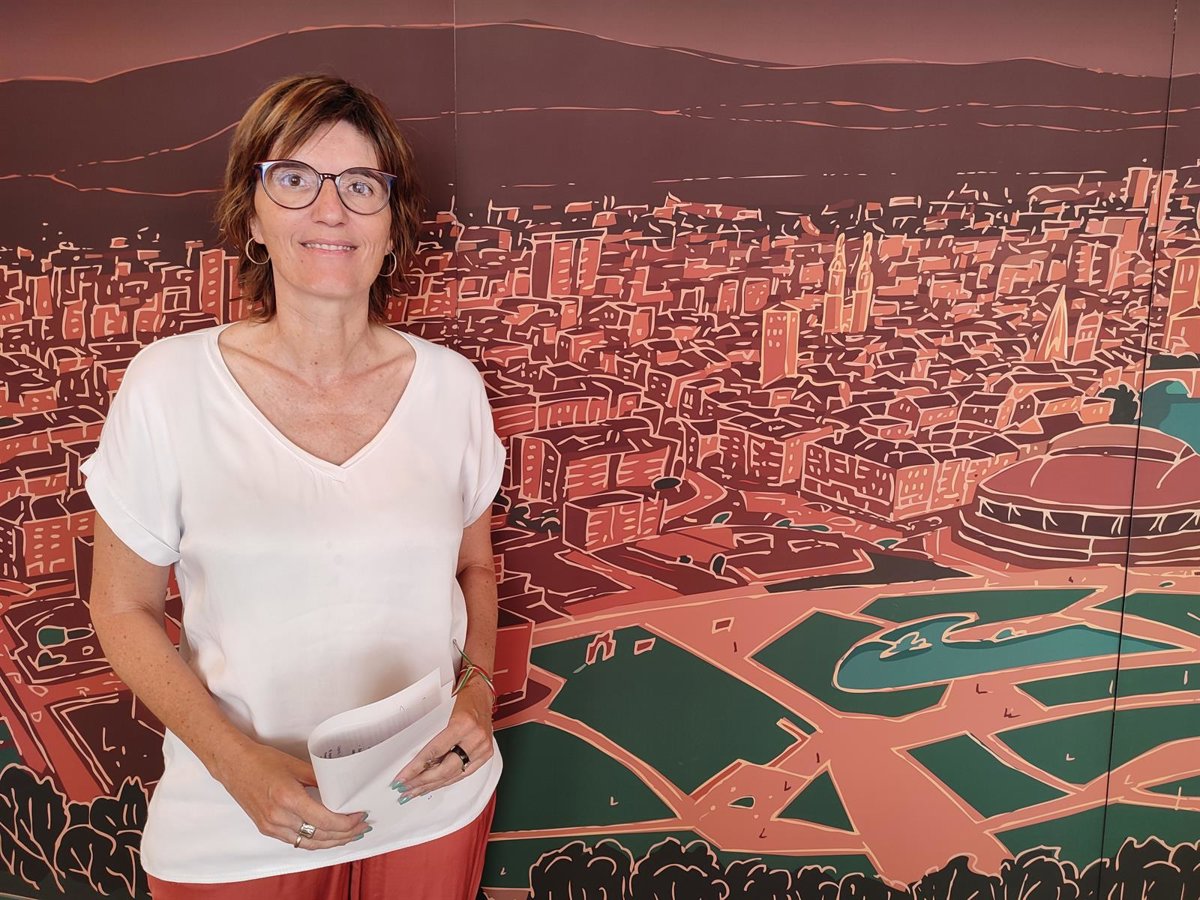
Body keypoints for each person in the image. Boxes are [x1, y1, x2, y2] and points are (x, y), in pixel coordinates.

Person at [84, 74, 506, 899]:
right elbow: (121, 606)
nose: (330, 210)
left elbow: (474, 569)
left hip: (434, 804)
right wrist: (234, 764)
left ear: (392, 225)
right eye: (295, 179)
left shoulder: (452, 388)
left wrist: (478, 698)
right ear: (252, 215)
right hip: (234, 828)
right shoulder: (169, 384)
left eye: (361, 186)